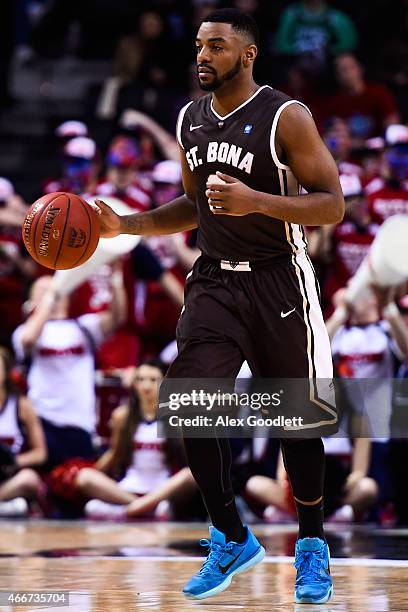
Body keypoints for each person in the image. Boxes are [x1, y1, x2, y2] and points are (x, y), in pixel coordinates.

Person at [94, 8, 344, 604]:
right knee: (188, 406)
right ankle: (230, 534)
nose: (202, 55)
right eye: (200, 45)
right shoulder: (189, 119)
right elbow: (194, 205)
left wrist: (255, 200)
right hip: (213, 283)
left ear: (248, 54)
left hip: (280, 280)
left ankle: (311, 544)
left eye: (217, 46)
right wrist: (125, 224)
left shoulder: (287, 116)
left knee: (298, 424)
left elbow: (333, 204)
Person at [85, 359, 196, 519]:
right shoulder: (122, 416)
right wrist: (92, 473)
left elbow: (186, 459)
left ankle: (125, 511)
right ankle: (144, 508)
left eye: (153, 380)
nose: (146, 386)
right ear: (134, 384)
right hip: (129, 487)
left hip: (162, 488)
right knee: (86, 477)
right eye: (141, 379)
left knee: (189, 475)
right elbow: (115, 454)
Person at [0, 347, 47, 517]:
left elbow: (40, 453)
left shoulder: (22, 406)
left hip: (10, 475)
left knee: (29, 479)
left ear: (6, 372)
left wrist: (13, 461)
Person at [324, 54, 400, 147]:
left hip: (382, 150)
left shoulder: (379, 92)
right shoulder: (333, 103)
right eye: (342, 70)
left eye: (351, 67)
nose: (348, 73)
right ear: (337, 76)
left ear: (360, 69)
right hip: (351, 155)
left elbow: (392, 124)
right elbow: (333, 137)